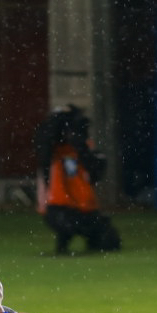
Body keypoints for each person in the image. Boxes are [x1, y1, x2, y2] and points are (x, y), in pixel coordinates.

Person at [35, 105, 120, 255]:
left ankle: (81, 240)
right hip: (58, 208)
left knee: (108, 240)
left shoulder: (85, 150)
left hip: (85, 209)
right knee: (66, 223)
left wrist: (79, 143)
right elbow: (44, 148)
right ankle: (63, 241)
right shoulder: (52, 152)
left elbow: (96, 170)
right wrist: (55, 128)